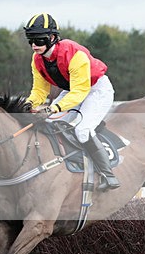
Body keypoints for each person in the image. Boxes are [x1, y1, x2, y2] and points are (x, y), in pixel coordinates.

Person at [23, 13, 120, 190]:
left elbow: (80, 92)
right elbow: (39, 91)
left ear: (52, 38)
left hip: (96, 90)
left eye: (38, 40)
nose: (34, 45)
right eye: (30, 40)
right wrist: (28, 104)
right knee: (50, 124)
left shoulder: (74, 54)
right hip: (73, 90)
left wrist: (53, 108)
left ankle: (108, 175)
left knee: (82, 130)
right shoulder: (37, 59)